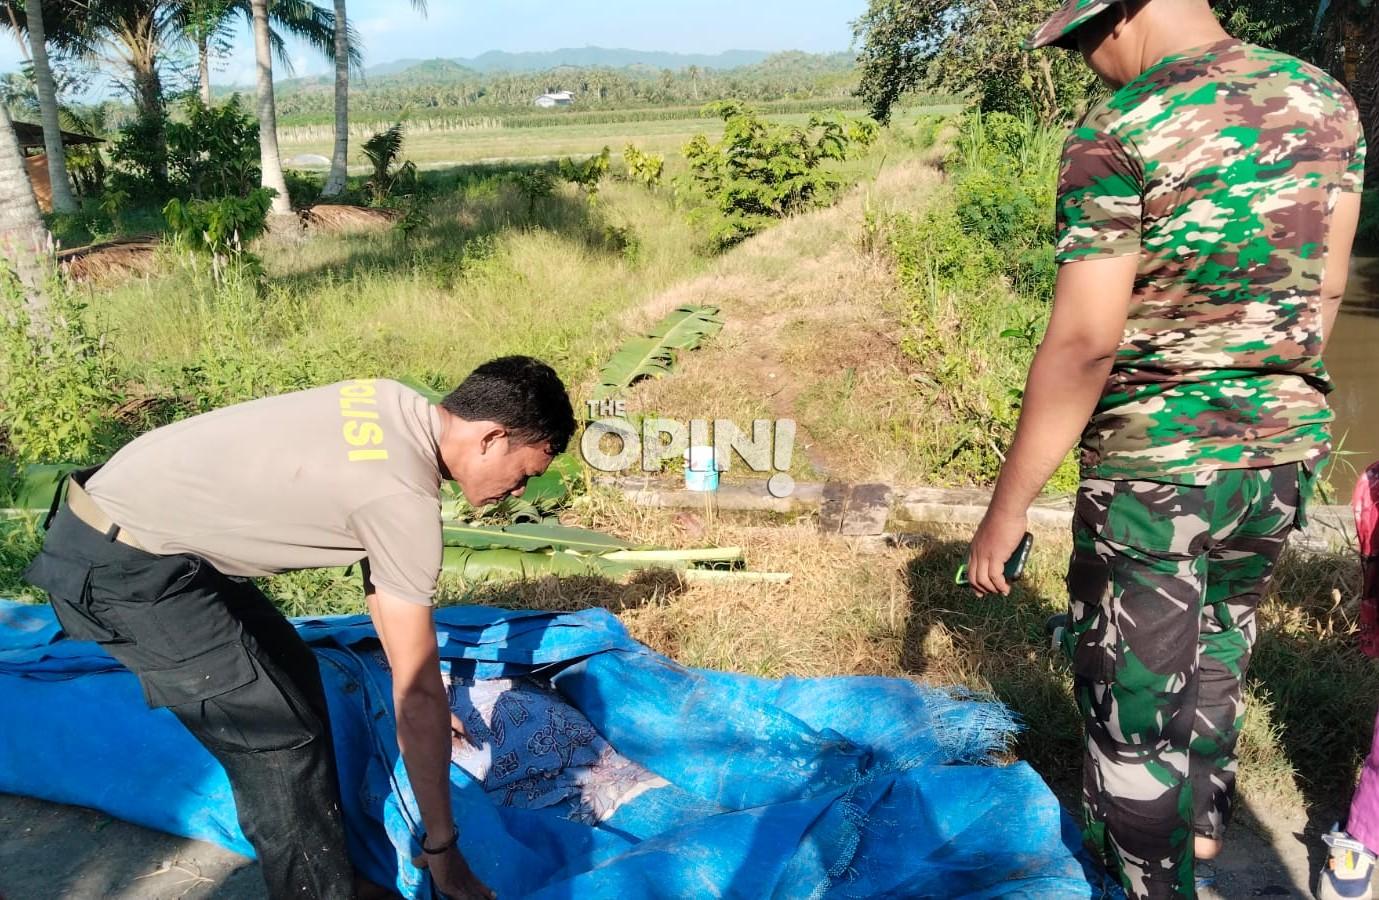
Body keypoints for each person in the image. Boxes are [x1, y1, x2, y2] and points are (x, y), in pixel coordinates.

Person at [963, 0, 1367, 897]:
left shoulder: (1119, 127)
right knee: (1223, 638)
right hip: (1281, 452)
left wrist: (1004, 510)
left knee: (1130, 716)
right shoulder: (1323, 99)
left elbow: (1082, 344)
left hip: (1156, 467)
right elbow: (1327, 288)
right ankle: (1206, 828)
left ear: (1115, 16)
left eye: (1078, 41)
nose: (1085, 63)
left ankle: (1153, 881)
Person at [24, 357, 577, 900]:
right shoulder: (401, 500)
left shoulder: (390, 400)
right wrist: (442, 849)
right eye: (526, 472)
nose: (521, 491)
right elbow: (415, 684)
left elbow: (390, 607)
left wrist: (422, 697)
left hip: (144, 530)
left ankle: (330, 873)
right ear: (491, 438)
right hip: (121, 570)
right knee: (278, 745)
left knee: (295, 676)